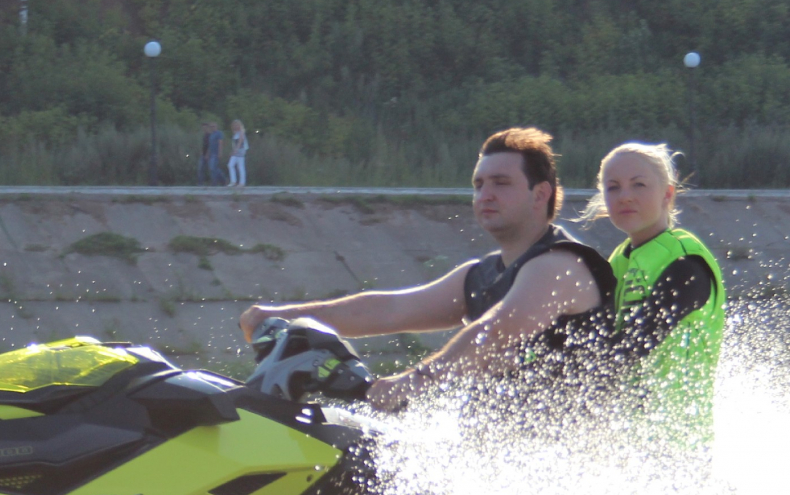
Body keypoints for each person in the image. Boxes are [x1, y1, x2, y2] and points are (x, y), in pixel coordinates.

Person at [239, 127, 614, 412]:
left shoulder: (562, 264)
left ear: (541, 194)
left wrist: (412, 382)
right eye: (479, 184)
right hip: (497, 460)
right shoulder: (480, 275)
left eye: (501, 183)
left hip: (564, 462)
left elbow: (496, 331)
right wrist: (283, 316)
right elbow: (389, 309)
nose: (485, 194)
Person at [584, 142, 726, 446]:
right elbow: (590, 337)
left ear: (668, 195)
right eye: (613, 188)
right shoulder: (618, 263)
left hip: (678, 447)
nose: (625, 196)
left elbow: (638, 342)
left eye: (639, 185)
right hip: (627, 441)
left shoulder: (686, 263)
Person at [198, 120, 224, 186]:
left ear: (216, 126)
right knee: (213, 168)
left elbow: (220, 143)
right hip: (211, 154)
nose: (212, 127)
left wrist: (220, 152)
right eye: (211, 126)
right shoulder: (211, 135)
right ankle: (221, 181)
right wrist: (207, 154)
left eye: (214, 126)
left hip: (216, 153)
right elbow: (209, 145)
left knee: (213, 168)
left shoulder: (219, 133)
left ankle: (216, 182)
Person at [227, 119, 249, 187]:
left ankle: (242, 183)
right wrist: (233, 150)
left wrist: (236, 149)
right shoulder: (235, 133)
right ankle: (233, 181)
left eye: (237, 125)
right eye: (234, 125)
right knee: (230, 165)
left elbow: (240, 141)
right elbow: (234, 143)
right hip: (236, 150)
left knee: (240, 166)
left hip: (240, 150)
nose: (235, 126)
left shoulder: (241, 132)